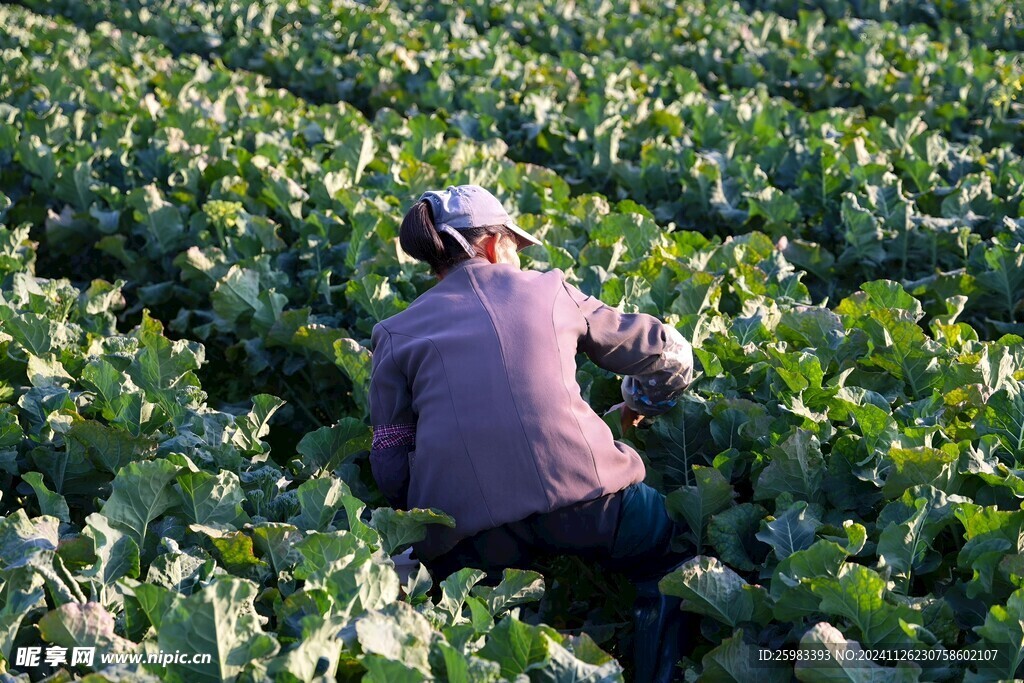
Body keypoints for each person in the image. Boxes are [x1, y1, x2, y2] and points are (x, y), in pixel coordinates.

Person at [367, 184, 695, 583]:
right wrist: (638, 402)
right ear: (492, 245)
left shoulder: (394, 332)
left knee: (473, 620)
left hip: (469, 537)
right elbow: (671, 353)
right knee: (673, 556)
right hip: (591, 499)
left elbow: (390, 461)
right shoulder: (550, 289)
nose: (520, 260)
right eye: (514, 246)